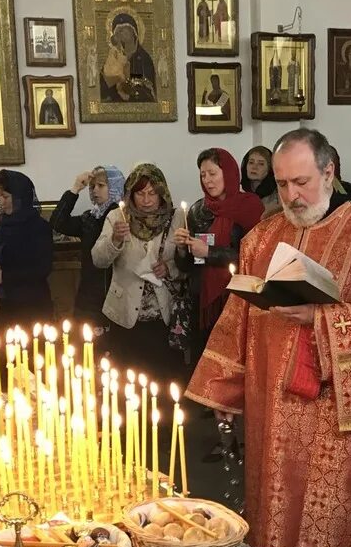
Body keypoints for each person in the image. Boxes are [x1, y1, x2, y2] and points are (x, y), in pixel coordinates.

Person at [186, 129, 351, 547]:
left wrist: (322, 318)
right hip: (271, 407)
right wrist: (223, 390)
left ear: (329, 173)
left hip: (339, 419)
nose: (291, 195)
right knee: (275, 518)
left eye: (302, 182)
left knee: (336, 531)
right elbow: (238, 316)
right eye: (282, 183)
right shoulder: (260, 239)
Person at [92, 164, 187, 382]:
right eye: (140, 193)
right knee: (127, 381)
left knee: (163, 381)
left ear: (162, 193)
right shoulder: (117, 216)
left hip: (163, 316)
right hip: (125, 313)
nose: (146, 200)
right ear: (130, 194)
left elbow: (187, 264)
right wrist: (115, 239)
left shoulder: (177, 218)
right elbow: (98, 260)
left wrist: (169, 268)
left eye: (153, 193)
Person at [173, 148, 265, 342]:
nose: (207, 180)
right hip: (205, 301)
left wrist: (209, 252)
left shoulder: (250, 206)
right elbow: (190, 265)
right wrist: (182, 249)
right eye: (203, 175)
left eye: (213, 173)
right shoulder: (198, 210)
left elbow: (256, 255)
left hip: (239, 296)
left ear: (229, 172)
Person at [0, 170, 54, 333]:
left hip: (32, 305)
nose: (0, 202)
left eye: (5, 197)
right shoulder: (4, 224)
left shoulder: (38, 227)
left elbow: (42, 268)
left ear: (20, 198)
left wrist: (6, 277)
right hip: (8, 303)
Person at [50, 165, 126, 332]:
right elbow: (58, 223)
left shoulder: (124, 217)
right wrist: (76, 188)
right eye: (92, 187)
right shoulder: (90, 218)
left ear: (114, 187)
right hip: (90, 293)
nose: (95, 191)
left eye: (101, 186)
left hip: (115, 294)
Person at [100, 12, 157, 103]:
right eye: (118, 30)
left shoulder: (144, 59)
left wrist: (130, 93)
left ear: (134, 32)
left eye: (124, 28)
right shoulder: (113, 58)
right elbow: (103, 89)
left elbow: (150, 87)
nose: (121, 32)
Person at [241, 145, 279, 215]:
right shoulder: (238, 191)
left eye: (261, 164)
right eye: (251, 162)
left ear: (269, 169)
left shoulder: (278, 194)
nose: (254, 167)